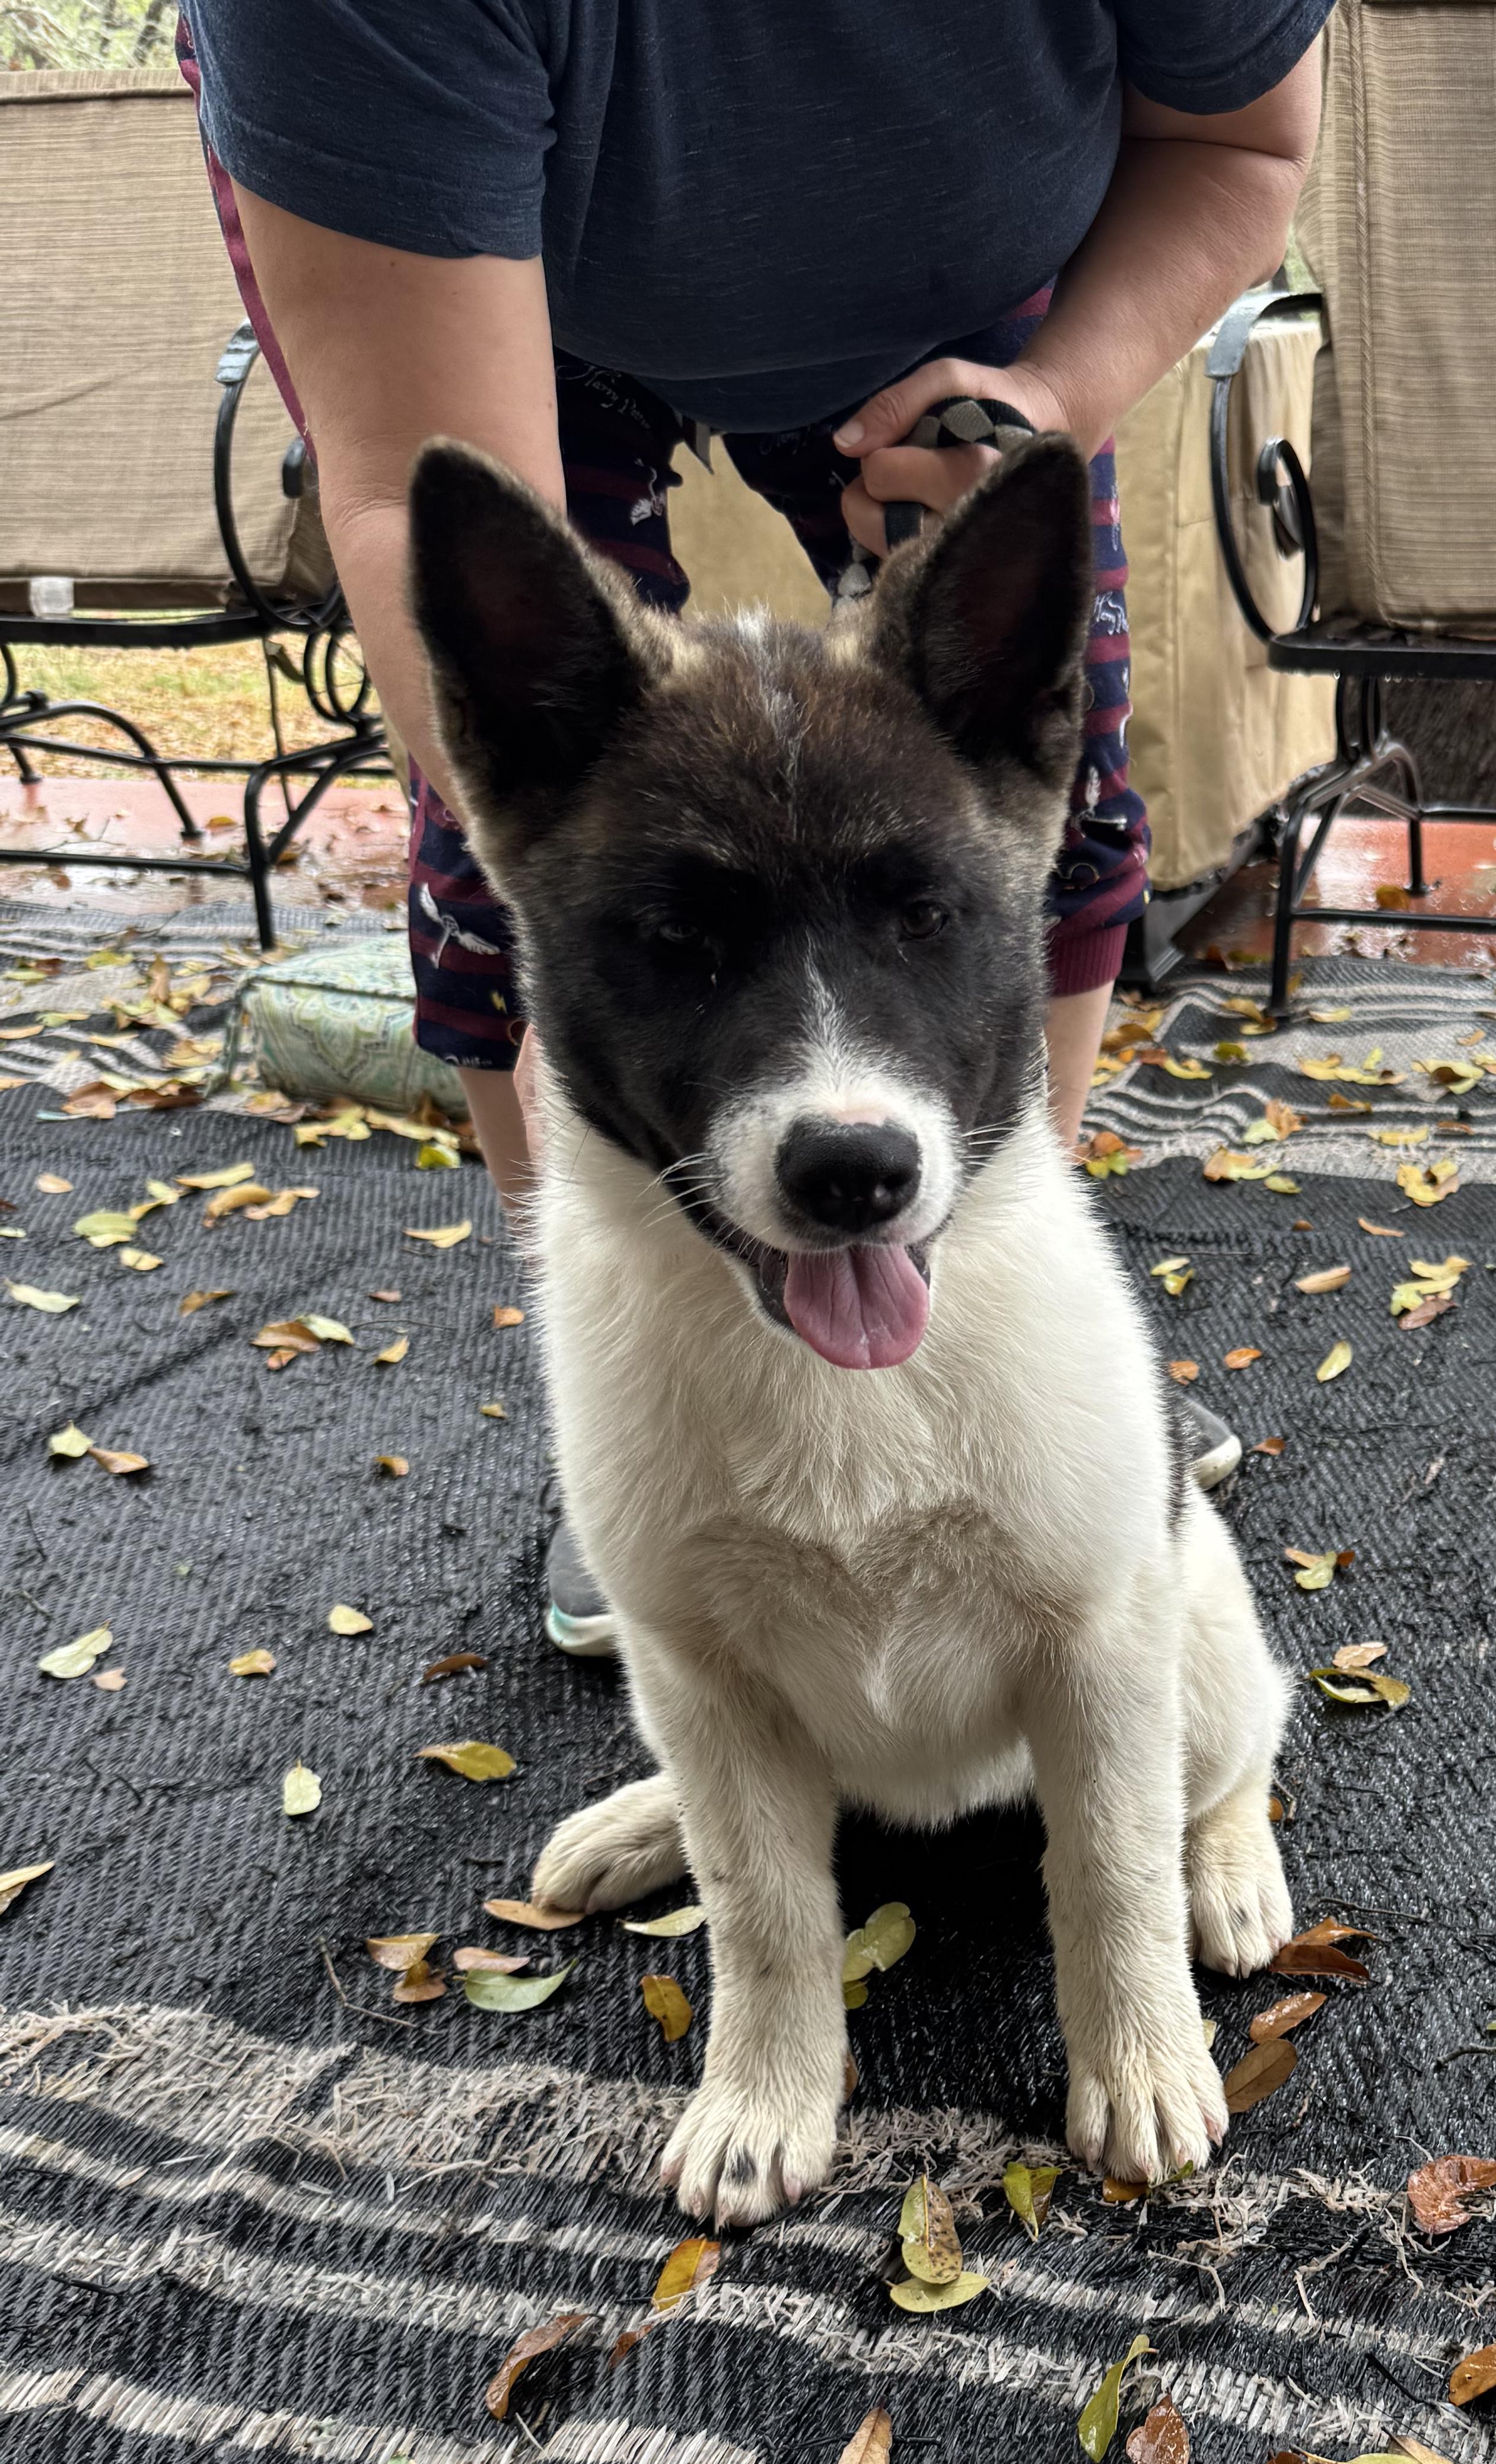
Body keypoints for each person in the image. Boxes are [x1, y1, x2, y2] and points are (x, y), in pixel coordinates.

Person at [180, 2, 1327, 1645]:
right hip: (500, 282)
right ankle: (642, 1421)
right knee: (514, 837)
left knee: (1047, 821)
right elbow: (400, 494)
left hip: (959, 302)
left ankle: (1012, 1329)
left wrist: (1046, 394)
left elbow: (1238, 141)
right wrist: (530, 791)